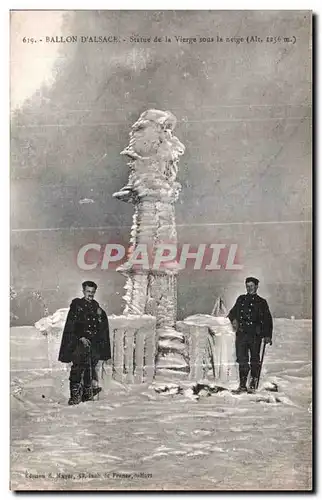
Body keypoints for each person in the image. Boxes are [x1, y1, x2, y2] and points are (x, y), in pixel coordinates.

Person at [58, 281, 111, 405]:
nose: (90, 295)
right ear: (83, 291)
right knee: (78, 367)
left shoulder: (97, 308)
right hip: (78, 342)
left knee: (90, 366)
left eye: (92, 292)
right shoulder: (77, 305)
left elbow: (101, 326)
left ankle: (87, 392)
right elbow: (71, 324)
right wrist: (80, 337)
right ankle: (74, 396)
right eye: (88, 292)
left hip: (92, 344)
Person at [228, 277, 273, 394]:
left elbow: (267, 320)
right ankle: (242, 385)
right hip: (242, 334)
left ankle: (253, 384)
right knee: (242, 359)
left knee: (254, 359)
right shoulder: (241, 299)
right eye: (247, 286)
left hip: (255, 335)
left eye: (251, 286)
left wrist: (267, 335)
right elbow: (232, 313)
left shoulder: (262, 302)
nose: (249, 288)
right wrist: (233, 320)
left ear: (256, 287)